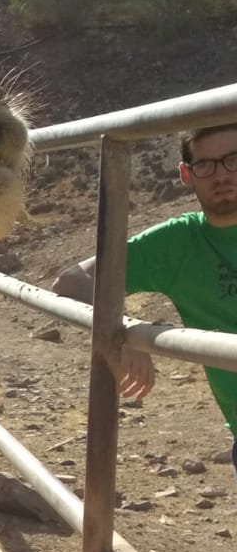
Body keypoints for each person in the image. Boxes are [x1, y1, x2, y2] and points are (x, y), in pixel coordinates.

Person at [52, 122, 237, 471]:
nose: (221, 175)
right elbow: (72, 281)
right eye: (206, 165)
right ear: (186, 174)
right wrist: (124, 328)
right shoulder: (178, 243)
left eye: (233, 159)